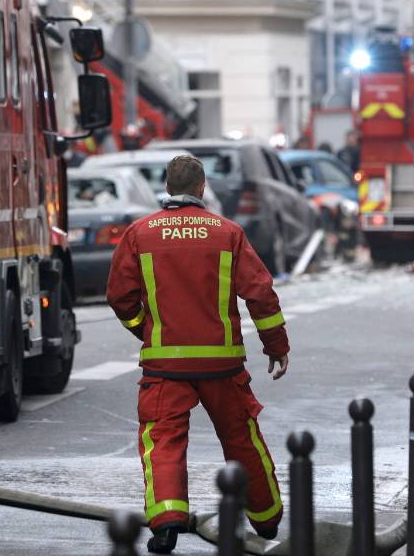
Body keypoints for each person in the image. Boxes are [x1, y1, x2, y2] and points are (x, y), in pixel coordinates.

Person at [107, 155, 289, 553]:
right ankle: (268, 518)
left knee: (163, 442)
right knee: (242, 439)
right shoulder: (227, 234)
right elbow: (260, 293)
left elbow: (120, 297)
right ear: (203, 188)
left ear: (168, 189)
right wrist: (276, 346)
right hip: (221, 365)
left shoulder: (140, 234)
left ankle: (167, 520)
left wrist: (145, 329)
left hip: (165, 366)